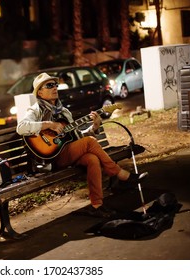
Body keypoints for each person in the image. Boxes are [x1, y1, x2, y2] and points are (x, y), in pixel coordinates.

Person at [16, 73, 148, 218]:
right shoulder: (35, 110)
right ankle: (120, 174)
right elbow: (21, 127)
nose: (54, 88)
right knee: (90, 142)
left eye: (55, 85)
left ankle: (97, 205)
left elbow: (78, 136)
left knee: (92, 159)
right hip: (53, 158)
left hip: (69, 152)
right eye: (49, 85)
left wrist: (94, 127)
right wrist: (48, 124)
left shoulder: (64, 112)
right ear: (39, 92)